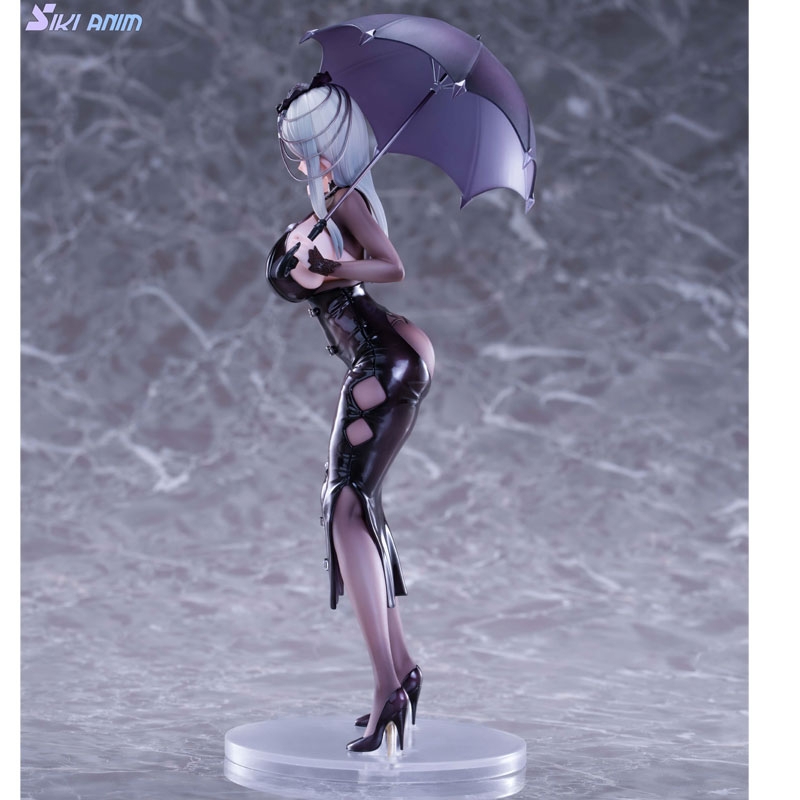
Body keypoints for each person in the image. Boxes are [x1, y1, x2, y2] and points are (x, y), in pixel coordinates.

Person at [267, 73, 435, 754]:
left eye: (302, 143)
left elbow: (392, 267)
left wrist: (333, 270)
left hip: (382, 357)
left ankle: (387, 687)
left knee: (344, 504)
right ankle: (400, 672)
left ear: (325, 145)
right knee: (355, 504)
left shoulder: (345, 199)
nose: (298, 157)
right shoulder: (327, 204)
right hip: (380, 357)